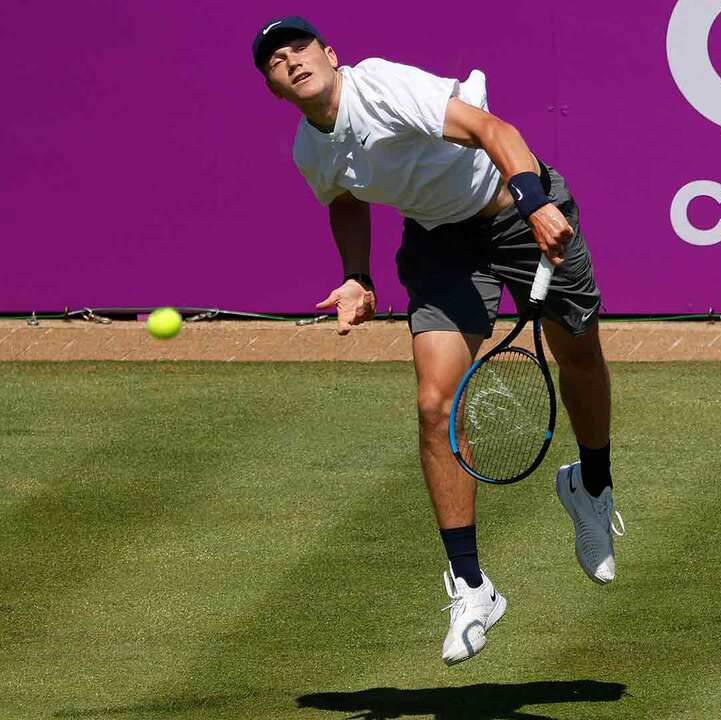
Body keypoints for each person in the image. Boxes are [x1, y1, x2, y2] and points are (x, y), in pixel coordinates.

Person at [252, 16, 624, 666]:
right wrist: (356, 275)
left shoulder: (382, 87)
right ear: (275, 88)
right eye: (275, 61)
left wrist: (534, 201)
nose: (290, 60)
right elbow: (343, 197)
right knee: (434, 405)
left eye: (299, 47)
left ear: (329, 54)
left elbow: (493, 130)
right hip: (441, 246)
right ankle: (472, 587)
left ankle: (590, 487)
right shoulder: (310, 151)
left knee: (579, 350)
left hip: (512, 208)